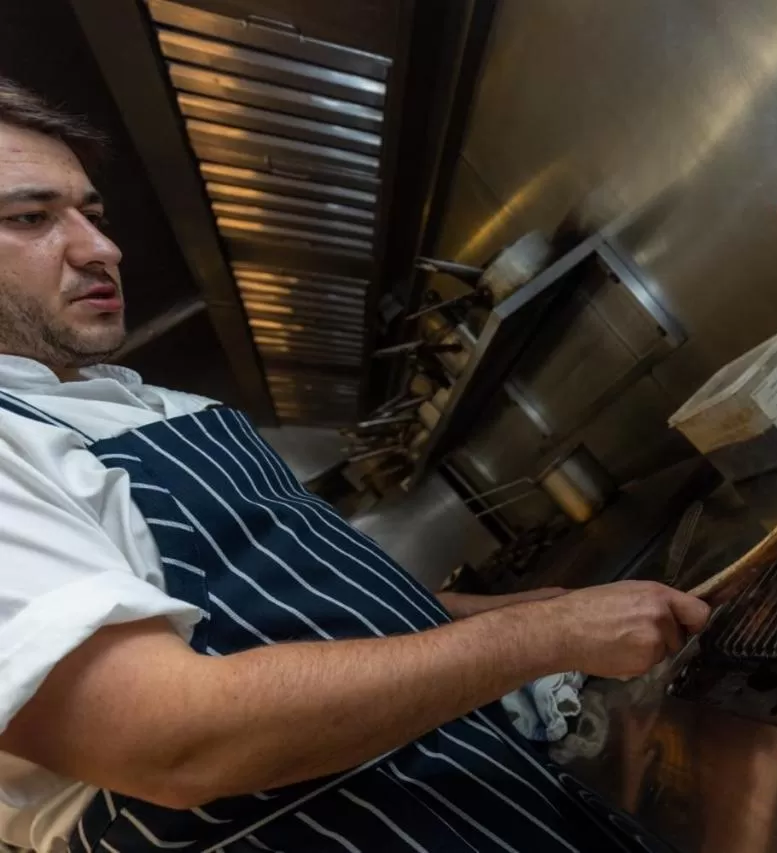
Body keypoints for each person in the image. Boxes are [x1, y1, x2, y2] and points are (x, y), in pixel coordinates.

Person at [0, 76, 710, 853]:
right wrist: (539, 635)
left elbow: (304, 618)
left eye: (91, 214)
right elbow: (173, 739)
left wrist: (515, 610)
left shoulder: (139, 403)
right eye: (32, 217)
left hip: (490, 809)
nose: (102, 248)